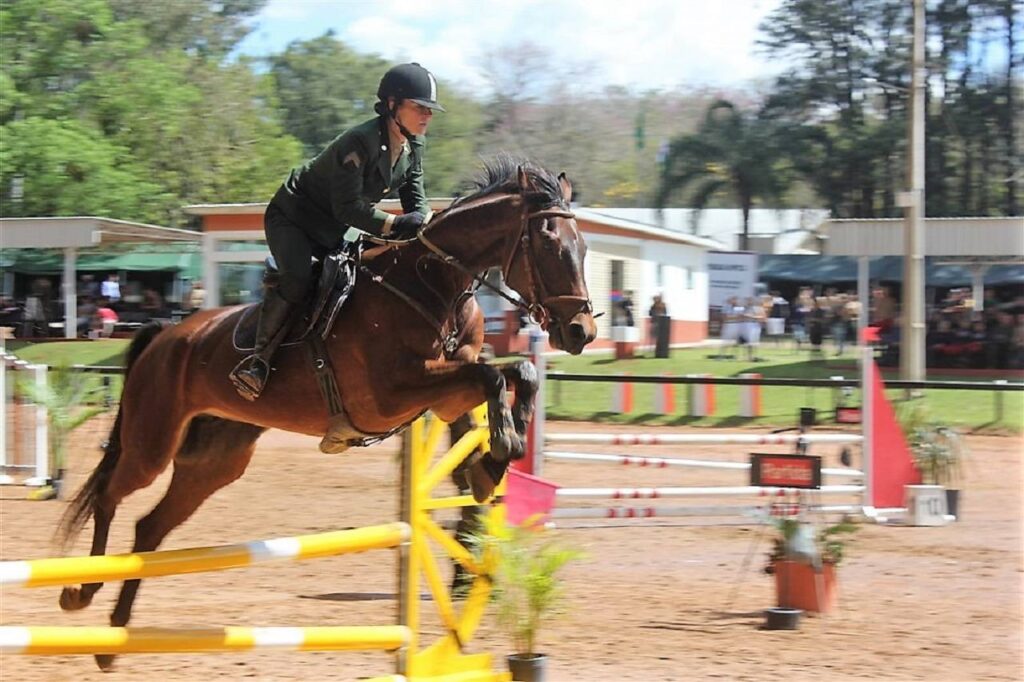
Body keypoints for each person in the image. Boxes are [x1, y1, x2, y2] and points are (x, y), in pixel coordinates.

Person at [230, 62, 445, 400]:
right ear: (392, 104)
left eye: (430, 110)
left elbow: (415, 199)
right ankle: (257, 362)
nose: (427, 117)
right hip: (294, 217)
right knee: (299, 278)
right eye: (419, 107)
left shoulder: (414, 147)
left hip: (334, 229)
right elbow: (347, 207)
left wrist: (428, 223)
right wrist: (395, 224)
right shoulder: (358, 142)